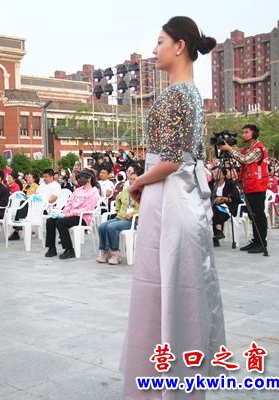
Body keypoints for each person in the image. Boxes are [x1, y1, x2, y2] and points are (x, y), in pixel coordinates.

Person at [121, 17, 225, 400]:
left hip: (170, 199)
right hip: (181, 198)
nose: (154, 49)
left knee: (164, 292)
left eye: (160, 41)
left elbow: (169, 160)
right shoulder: (192, 94)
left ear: (180, 45)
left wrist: (137, 182)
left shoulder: (176, 95)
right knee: (181, 293)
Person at [219, 124, 270, 253]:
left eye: (246, 132)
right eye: (243, 132)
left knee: (258, 215)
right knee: (253, 215)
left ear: (254, 134)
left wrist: (229, 149)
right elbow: (241, 160)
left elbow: (245, 160)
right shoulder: (246, 149)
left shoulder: (258, 148)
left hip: (258, 186)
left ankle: (261, 243)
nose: (243, 134)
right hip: (249, 185)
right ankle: (256, 241)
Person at [44, 169, 99, 259]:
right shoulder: (78, 190)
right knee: (50, 221)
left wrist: (69, 214)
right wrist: (63, 212)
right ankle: (51, 248)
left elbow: (87, 208)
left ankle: (69, 249)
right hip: (71, 215)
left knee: (61, 222)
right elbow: (70, 202)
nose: (79, 180)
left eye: (81, 177)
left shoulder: (93, 192)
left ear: (89, 178)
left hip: (83, 217)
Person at [96, 167, 142, 265]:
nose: (132, 181)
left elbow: (145, 207)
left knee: (111, 227)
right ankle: (105, 252)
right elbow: (117, 198)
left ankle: (115, 253)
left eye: (134, 179)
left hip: (133, 221)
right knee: (102, 226)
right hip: (121, 217)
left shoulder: (143, 192)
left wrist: (133, 213)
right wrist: (118, 209)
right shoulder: (127, 190)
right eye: (130, 179)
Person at [209, 167, 240, 246]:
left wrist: (223, 198)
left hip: (228, 208)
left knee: (216, 211)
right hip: (212, 207)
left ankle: (217, 234)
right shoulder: (210, 184)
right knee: (214, 210)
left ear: (223, 175)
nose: (215, 174)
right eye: (213, 172)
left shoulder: (230, 185)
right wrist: (214, 200)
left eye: (217, 172)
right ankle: (218, 232)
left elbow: (236, 198)